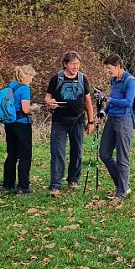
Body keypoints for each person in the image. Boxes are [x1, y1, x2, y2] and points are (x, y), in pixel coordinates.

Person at [44, 52, 95, 197]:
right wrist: (50, 103)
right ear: (65, 64)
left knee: (77, 151)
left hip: (78, 120)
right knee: (57, 151)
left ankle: (73, 180)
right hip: (60, 120)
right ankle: (55, 185)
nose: (76, 67)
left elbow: (87, 101)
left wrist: (90, 122)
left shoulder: (82, 78)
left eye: (78, 64)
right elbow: (47, 97)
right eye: (73, 64)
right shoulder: (56, 78)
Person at [98, 54, 135, 200]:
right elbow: (112, 102)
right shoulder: (114, 80)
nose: (108, 71)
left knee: (122, 158)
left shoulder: (130, 81)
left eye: (109, 68)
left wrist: (108, 98)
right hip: (111, 120)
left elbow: (128, 102)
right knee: (104, 154)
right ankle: (123, 185)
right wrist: (102, 112)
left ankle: (121, 192)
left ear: (118, 66)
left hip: (124, 121)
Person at [2, 65, 38, 195]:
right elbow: (25, 109)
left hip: (9, 124)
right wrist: (34, 108)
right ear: (26, 75)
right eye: (32, 76)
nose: (32, 79)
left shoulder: (10, 86)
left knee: (12, 154)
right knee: (25, 155)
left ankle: (8, 184)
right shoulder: (24, 88)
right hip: (22, 124)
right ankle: (23, 186)